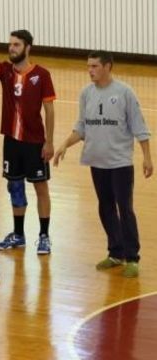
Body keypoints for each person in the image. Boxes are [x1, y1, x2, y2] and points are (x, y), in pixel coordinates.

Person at [54, 51, 152, 278]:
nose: (90, 70)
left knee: (124, 208)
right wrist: (64, 144)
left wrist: (147, 157)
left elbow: (139, 127)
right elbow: (81, 127)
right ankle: (116, 253)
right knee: (105, 207)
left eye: (95, 66)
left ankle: (132, 258)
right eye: (88, 66)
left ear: (108, 67)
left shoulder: (124, 92)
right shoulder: (86, 93)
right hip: (97, 162)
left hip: (120, 163)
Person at [0, 16, 56, 255]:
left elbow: (49, 110)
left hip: (35, 143)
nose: (11, 48)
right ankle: (18, 235)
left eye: (16, 45)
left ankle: (44, 236)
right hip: (11, 142)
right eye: (10, 44)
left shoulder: (42, 75)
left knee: (40, 188)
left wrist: (49, 142)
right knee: (14, 186)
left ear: (28, 48)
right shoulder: (5, 71)